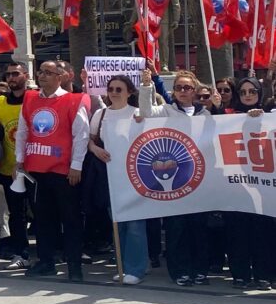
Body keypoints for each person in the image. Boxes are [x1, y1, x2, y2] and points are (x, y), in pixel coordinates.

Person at [15, 60, 90, 282]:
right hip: (37, 171)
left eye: (48, 72)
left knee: (71, 219)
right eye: (41, 72)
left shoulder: (73, 101)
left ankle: (74, 266)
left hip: (64, 172)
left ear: (61, 76)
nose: (43, 76)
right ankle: (46, 262)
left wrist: (76, 166)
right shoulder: (29, 99)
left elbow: (82, 135)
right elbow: (22, 131)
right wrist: (19, 160)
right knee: (43, 219)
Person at [140, 68, 210, 286]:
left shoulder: (204, 114)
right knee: (176, 227)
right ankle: (179, 270)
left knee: (197, 227)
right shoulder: (166, 110)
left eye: (187, 87)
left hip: (198, 178)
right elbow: (146, 112)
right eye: (178, 87)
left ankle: (200, 269)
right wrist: (146, 86)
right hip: (174, 177)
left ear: (195, 90)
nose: (182, 91)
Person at [87, 75, 146, 285]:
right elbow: (90, 140)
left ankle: (137, 268)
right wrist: (96, 150)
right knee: (117, 223)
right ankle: (123, 266)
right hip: (109, 176)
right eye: (111, 88)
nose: (113, 92)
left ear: (129, 92)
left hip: (134, 177)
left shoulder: (137, 114)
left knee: (136, 225)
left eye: (119, 89)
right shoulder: (100, 115)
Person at [224, 77, 273, 290]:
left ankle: (264, 274)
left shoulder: (270, 116)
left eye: (252, 91)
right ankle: (240, 274)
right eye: (243, 92)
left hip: (264, 186)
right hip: (237, 186)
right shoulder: (226, 117)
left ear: (259, 92)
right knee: (238, 231)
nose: (247, 95)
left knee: (263, 232)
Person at [0, 62, 30, 269]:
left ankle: (48, 254)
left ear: (25, 75)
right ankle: (21, 254)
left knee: (42, 213)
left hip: (35, 167)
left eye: (15, 74)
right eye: (8, 74)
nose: (11, 78)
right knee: (17, 215)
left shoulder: (35, 98)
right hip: (9, 169)